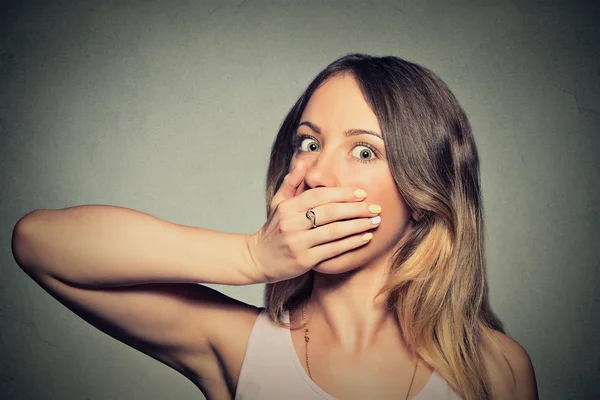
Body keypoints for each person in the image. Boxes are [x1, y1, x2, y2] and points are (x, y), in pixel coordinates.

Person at [11, 54, 538, 400]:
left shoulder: (496, 371)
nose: (317, 172)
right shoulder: (237, 346)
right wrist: (249, 258)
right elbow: (38, 242)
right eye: (308, 143)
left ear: (422, 198)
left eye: (364, 150)